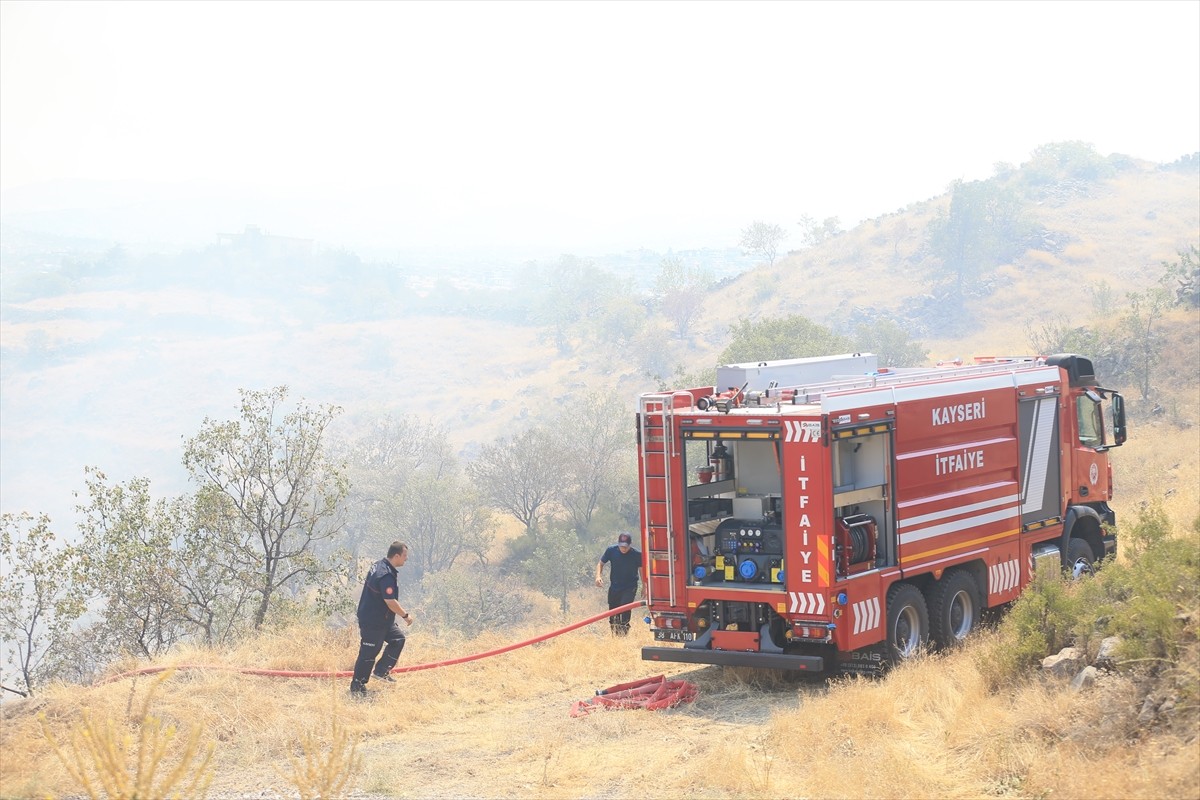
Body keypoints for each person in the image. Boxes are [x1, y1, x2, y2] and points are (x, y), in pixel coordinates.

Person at [350, 541, 414, 698]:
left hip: (383, 619)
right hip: (373, 620)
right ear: (396, 555)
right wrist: (405, 615)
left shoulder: (380, 565)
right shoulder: (385, 575)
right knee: (369, 653)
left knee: (398, 639)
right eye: (405, 556)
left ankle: (381, 671)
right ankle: (357, 685)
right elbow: (390, 601)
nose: (406, 559)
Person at [595, 531, 644, 636]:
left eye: (625, 547)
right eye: (621, 546)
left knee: (624, 608)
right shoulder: (611, 551)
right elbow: (601, 563)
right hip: (615, 587)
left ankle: (624, 635)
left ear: (630, 545)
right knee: (613, 613)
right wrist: (598, 576)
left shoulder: (637, 554)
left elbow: (641, 571)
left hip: (630, 587)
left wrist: (645, 586)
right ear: (618, 544)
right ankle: (615, 636)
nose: (623, 549)